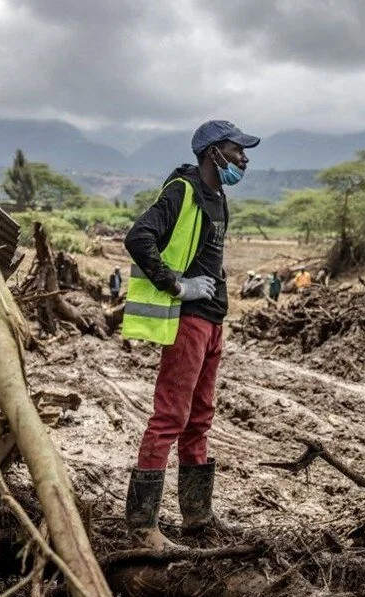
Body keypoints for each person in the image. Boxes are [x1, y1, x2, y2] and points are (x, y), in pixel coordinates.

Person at [122, 119, 259, 549]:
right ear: (214, 152)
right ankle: (143, 526)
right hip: (188, 320)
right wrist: (176, 284)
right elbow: (138, 237)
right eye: (238, 151)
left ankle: (197, 520)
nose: (244, 159)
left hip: (212, 320)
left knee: (200, 417)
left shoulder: (217, 197)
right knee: (170, 418)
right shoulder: (181, 191)